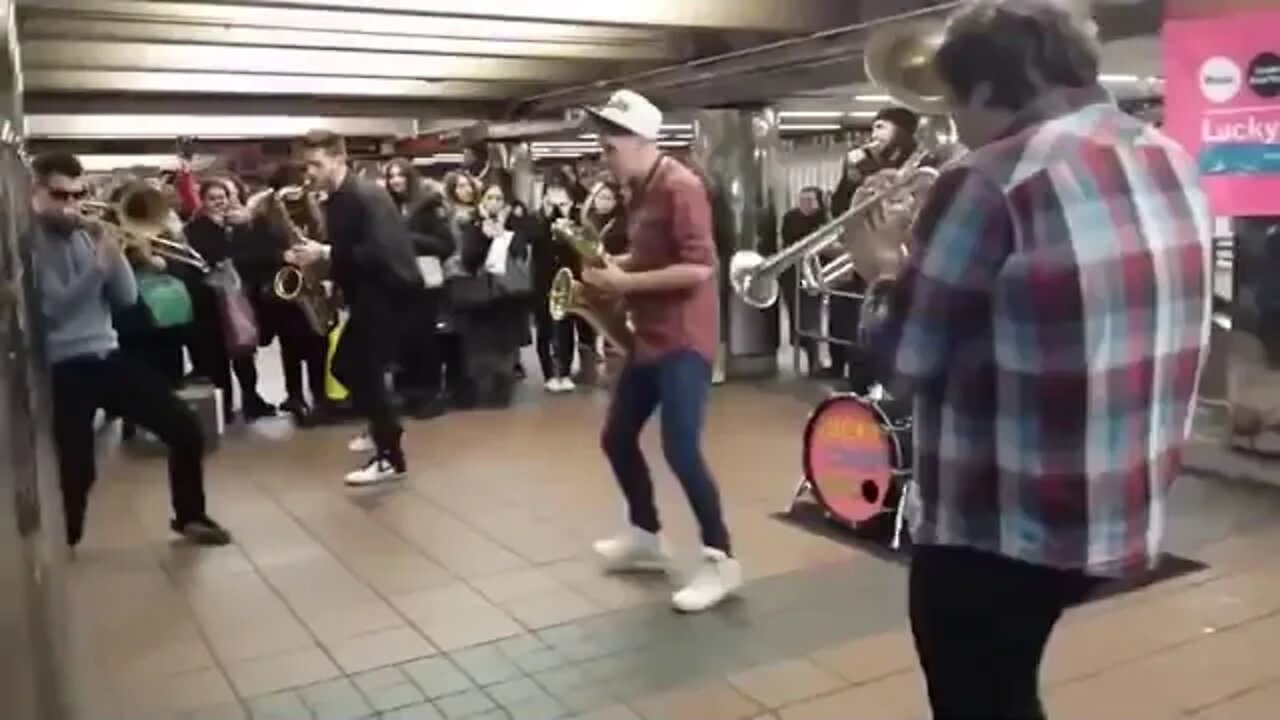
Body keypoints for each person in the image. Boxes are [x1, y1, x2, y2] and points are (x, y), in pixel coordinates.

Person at [856, 2, 1212, 717]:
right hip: (1121, 506)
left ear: (990, 89)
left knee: (978, 698)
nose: (955, 129)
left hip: (999, 529)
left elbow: (904, 361)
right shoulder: (1167, 155)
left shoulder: (991, 180)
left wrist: (879, 272)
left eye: (955, 106)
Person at [581, 89, 740, 613]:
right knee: (616, 436)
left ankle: (721, 561)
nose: (603, 151)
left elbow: (699, 267)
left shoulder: (681, 186)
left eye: (610, 143)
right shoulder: (637, 189)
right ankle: (646, 535)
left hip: (685, 339)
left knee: (681, 449)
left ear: (639, 139)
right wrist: (615, 266)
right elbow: (652, 255)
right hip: (650, 336)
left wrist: (622, 283)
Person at [29, 152, 231, 548]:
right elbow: (51, 311)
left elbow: (124, 298)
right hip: (64, 365)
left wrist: (117, 251)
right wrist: (95, 270)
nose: (72, 205)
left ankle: (190, 515)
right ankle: (67, 537)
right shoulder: (27, 245)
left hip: (108, 355)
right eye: (60, 195)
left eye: (79, 194)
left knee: (185, 427)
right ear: (34, 193)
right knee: (77, 467)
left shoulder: (88, 234)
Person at [287, 131, 424, 486]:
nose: (310, 172)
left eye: (316, 164)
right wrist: (329, 274)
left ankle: (389, 450)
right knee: (350, 368)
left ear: (338, 159)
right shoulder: (338, 199)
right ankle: (383, 426)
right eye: (307, 165)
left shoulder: (367, 196)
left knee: (357, 368)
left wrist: (326, 253)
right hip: (369, 295)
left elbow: (382, 253)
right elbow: (354, 251)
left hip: (390, 296)